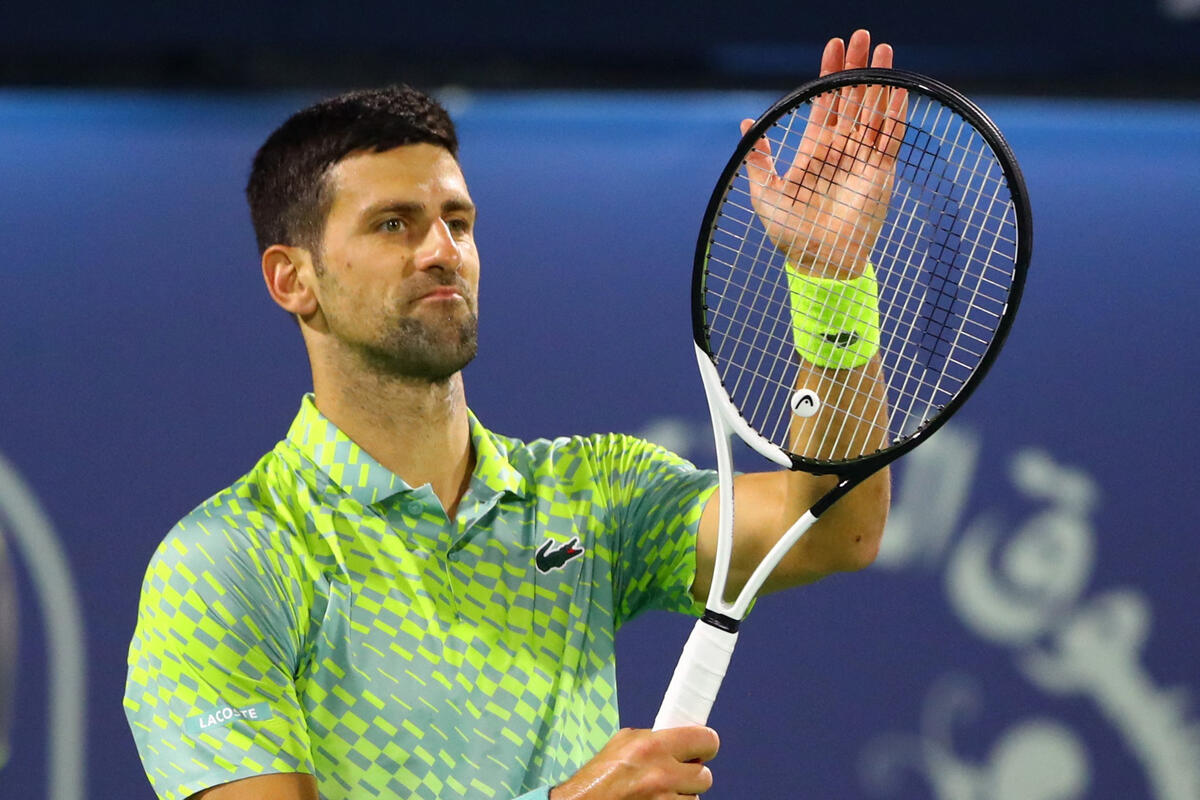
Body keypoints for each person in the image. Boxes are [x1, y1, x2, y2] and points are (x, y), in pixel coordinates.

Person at [124, 29, 895, 800]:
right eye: (393, 223)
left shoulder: (591, 493)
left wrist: (830, 282)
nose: (442, 250)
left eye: (457, 222)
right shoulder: (229, 564)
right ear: (292, 279)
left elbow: (833, 529)